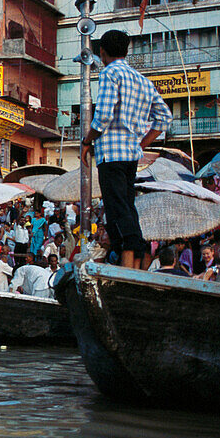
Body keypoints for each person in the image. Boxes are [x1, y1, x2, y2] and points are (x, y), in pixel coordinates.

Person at [81, 29, 171, 270]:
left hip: (111, 154)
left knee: (118, 210)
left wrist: (87, 141)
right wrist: (141, 144)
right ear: (126, 50)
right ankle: (136, 264)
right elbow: (164, 118)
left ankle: (129, 266)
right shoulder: (142, 80)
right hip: (131, 155)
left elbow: (103, 117)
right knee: (127, 208)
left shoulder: (110, 73)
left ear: (102, 52)